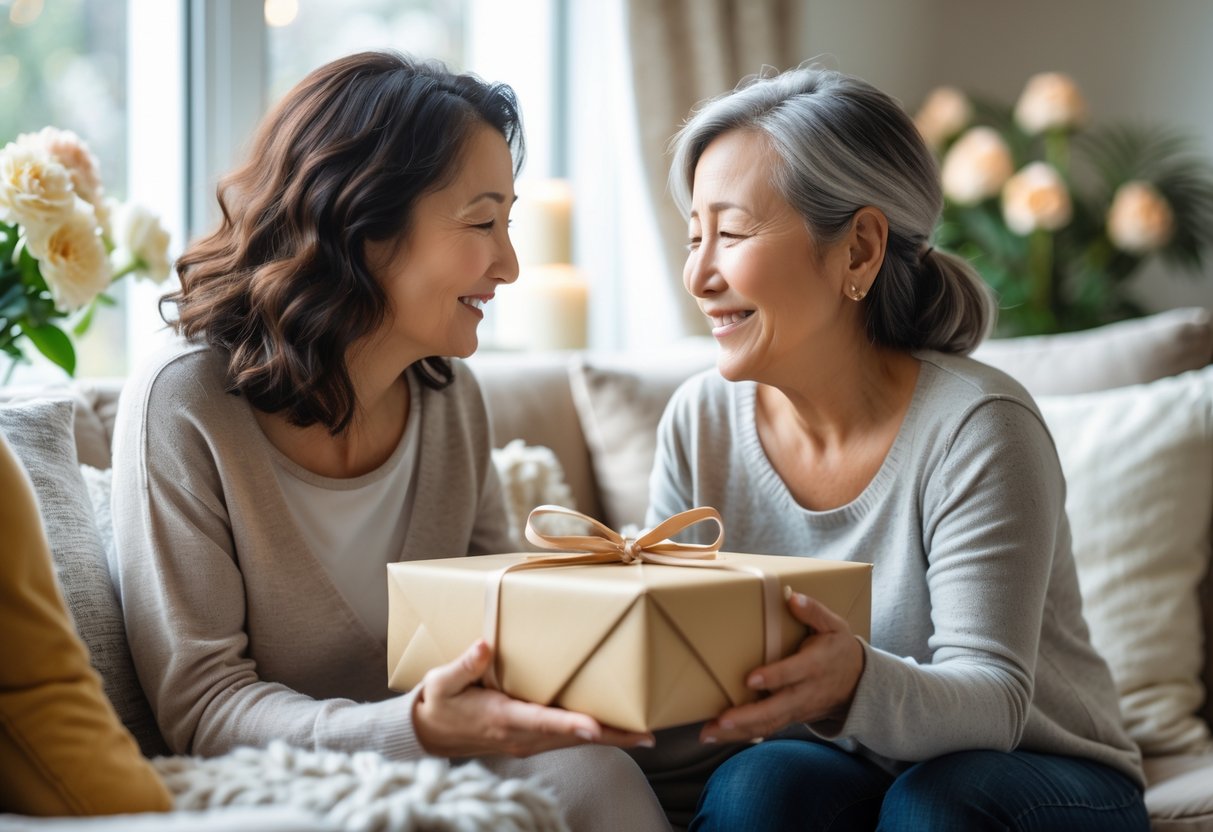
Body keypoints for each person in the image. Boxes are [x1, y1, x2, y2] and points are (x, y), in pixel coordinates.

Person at [110, 51, 669, 832]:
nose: (507, 265)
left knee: (597, 772)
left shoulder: (448, 398)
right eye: (482, 223)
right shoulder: (185, 403)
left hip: (447, 759)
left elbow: (494, 638)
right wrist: (414, 728)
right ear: (361, 223)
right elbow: (202, 712)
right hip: (282, 786)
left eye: (507, 224)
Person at [636, 65, 1149, 831]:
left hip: (1039, 771)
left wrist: (853, 684)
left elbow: (995, 700)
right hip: (846, 759)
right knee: (757, 786)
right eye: (694, 236)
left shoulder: (978, 425)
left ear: (858, 251)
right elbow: (673, 659)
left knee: (935, 803)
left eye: (732, 233)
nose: (699, 275)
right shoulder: (700, 420)